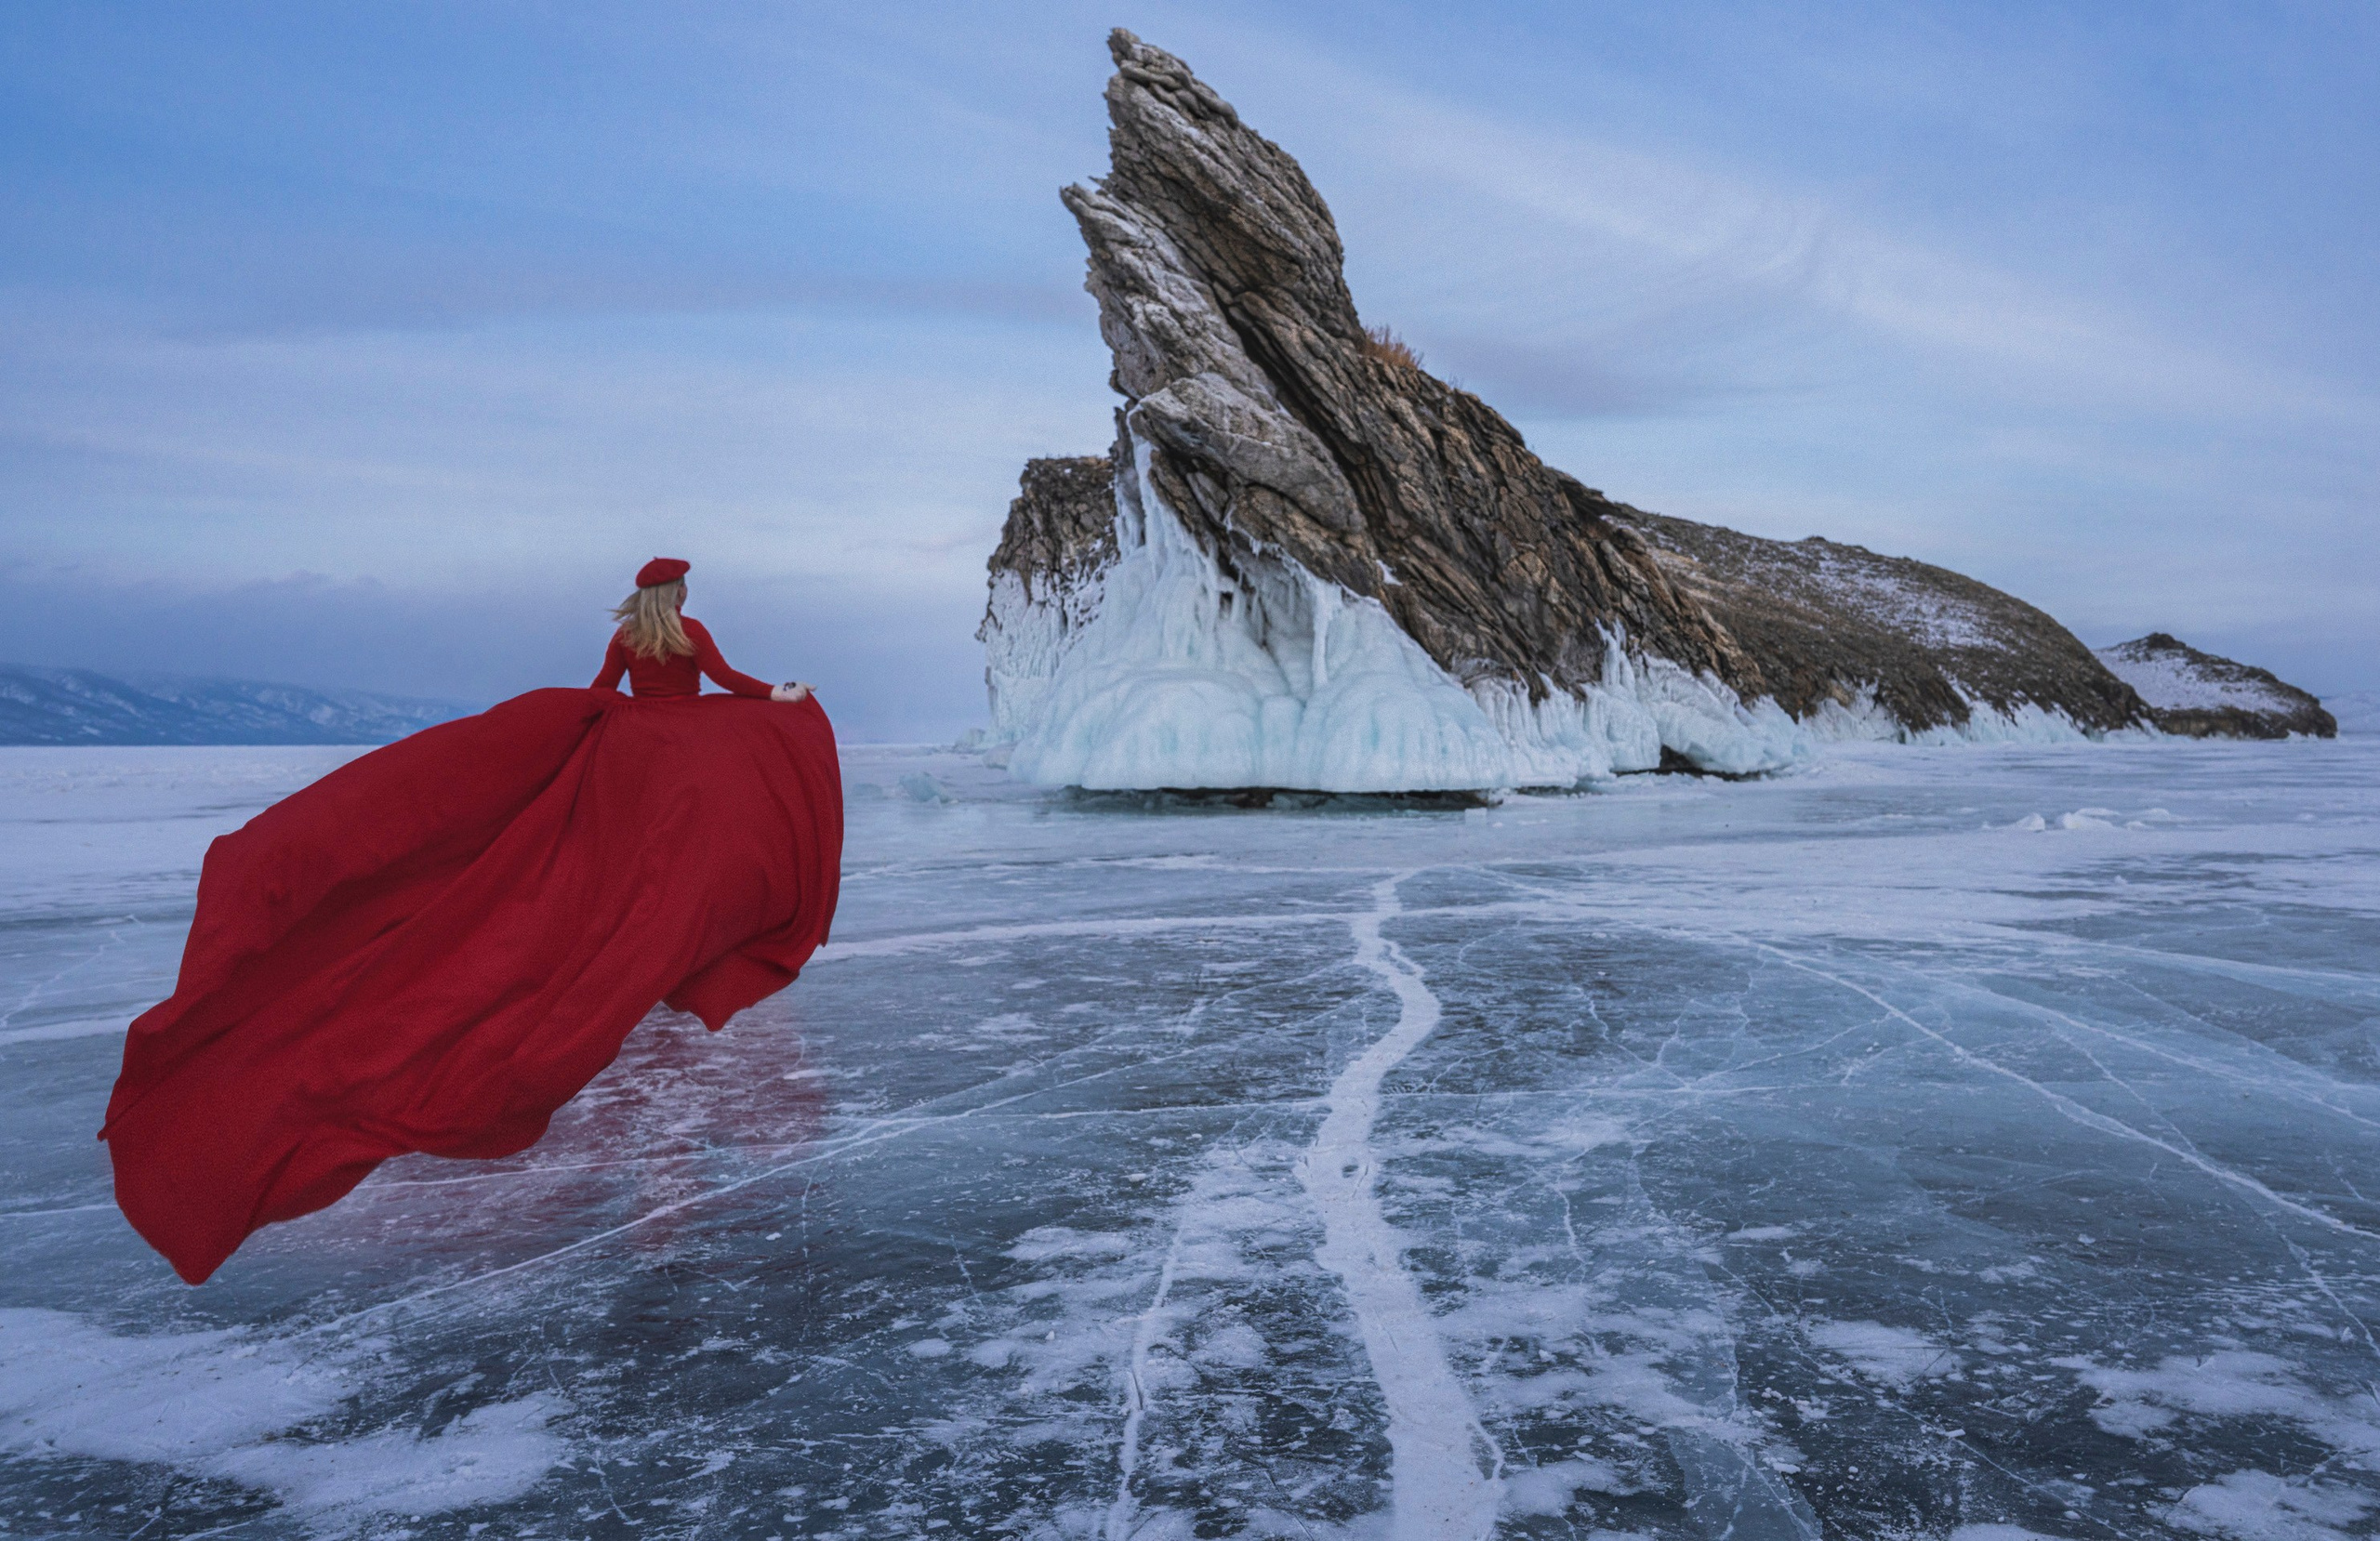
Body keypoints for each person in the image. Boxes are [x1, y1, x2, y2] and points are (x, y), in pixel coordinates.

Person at [101, 558, 843, 1284]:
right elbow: (729, 684)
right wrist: (781, 697)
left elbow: (601, 691)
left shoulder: (629, 638)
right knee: (669, 860)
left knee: (620, 858)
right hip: (678, 755)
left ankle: (640, 917)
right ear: (676, 592)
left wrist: (569, 730)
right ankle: (687, 926)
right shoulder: (690, 630)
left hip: (634, 751)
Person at [594, 557, 814, 705]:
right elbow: (724, 676)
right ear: (680, 592)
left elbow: (603, 687)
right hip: (688, 721)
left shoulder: (626, 634)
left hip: (640, 725)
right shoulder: (690, 630)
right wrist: (776, 691)